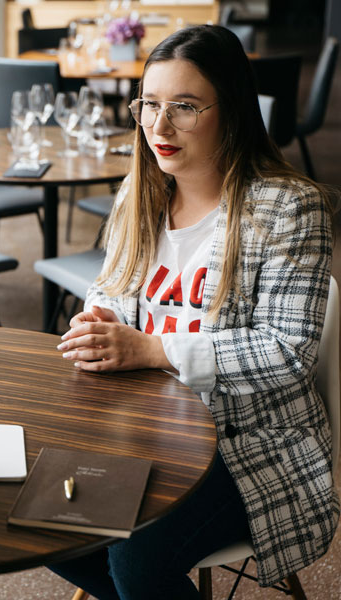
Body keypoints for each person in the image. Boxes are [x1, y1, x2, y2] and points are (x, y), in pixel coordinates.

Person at [51, 25, 338, 599]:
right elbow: (109, 289)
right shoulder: (142, 190)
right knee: (43, 515)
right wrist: (99, 320)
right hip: (142, 425)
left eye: (183, 107)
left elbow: (287, 352)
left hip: (251, 440)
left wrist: (149, 348)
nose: (159, 127)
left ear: (230, 110)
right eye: (149, 105)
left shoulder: (288, 207)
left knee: (135, 560)